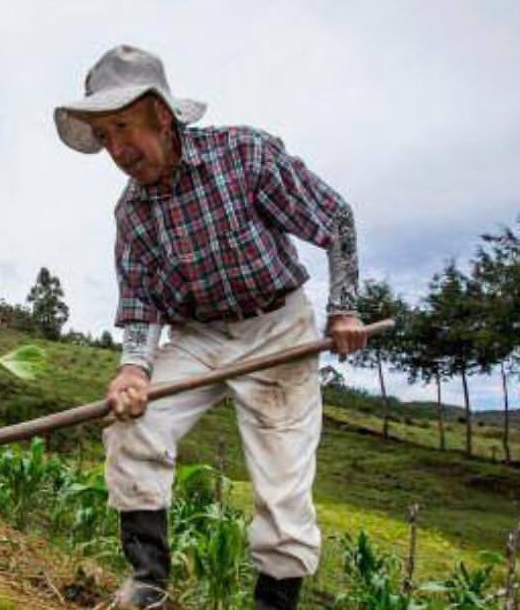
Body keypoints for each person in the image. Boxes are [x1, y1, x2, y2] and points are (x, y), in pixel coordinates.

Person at [54, 45, 368, 610]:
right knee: (132, 423)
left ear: (161, 114)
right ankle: (148, 581)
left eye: (123, 127)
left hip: (277, 328)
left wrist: (343, 308)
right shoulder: (132, 214)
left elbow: (334, 217)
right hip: (198, 337)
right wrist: (133, 370)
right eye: (103, 137)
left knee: (282, 484)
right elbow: (141, 302)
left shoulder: (244, 156)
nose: (117, 150)